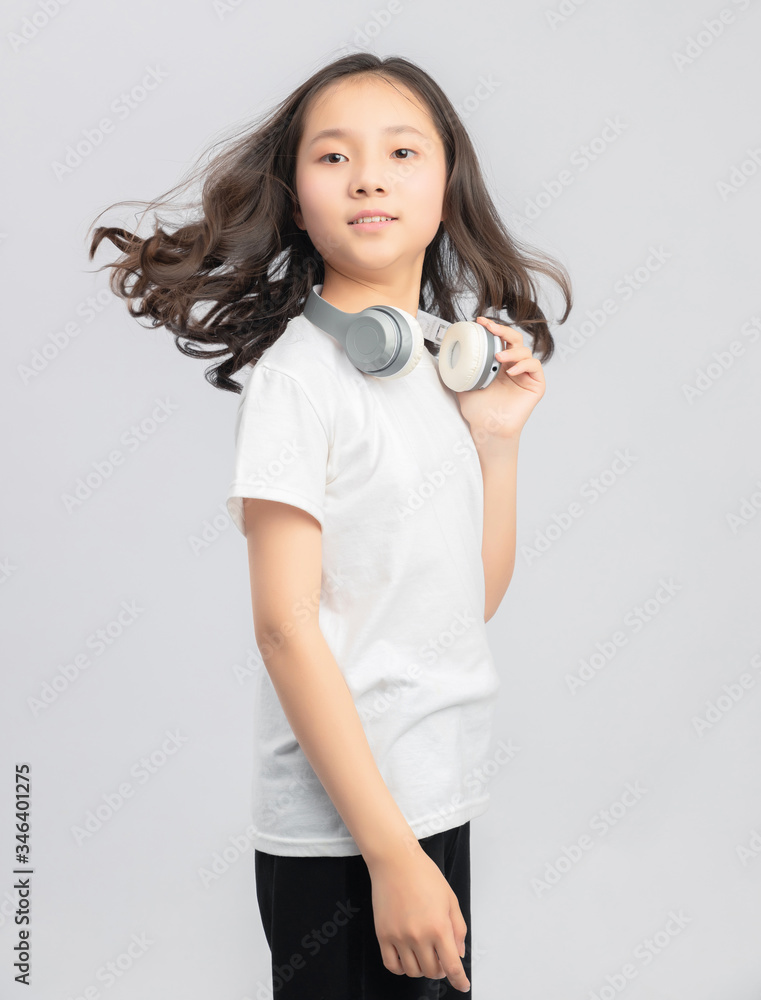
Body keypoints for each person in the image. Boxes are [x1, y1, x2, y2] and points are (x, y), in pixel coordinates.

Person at [87, 51, 572, 999]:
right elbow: (283, 626)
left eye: (401, 151)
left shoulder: (442, 366)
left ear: (445, 192)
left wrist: (497, 445)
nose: (369, 177)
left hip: (432, 793)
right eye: (333, 157)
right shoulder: (298, 383)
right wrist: (389, 857)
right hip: (345, 826)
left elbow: (460, 605)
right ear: (296, 201)